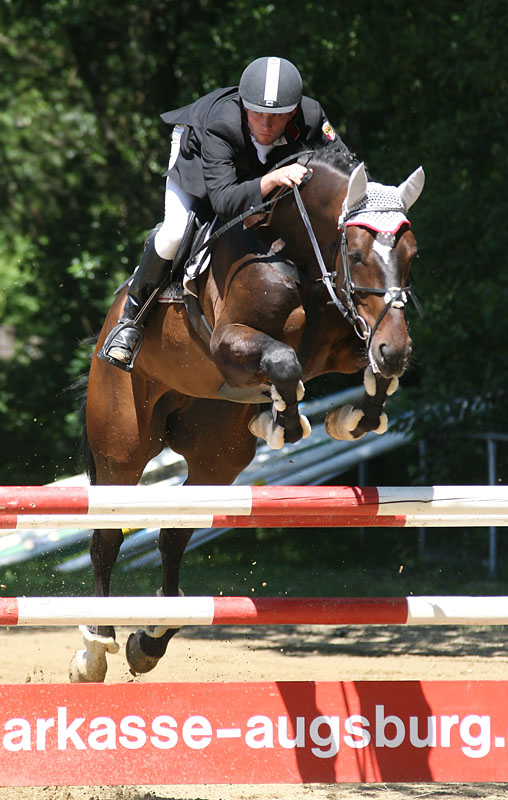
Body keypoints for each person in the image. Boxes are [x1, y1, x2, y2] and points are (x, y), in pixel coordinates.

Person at [99, 56, 355, 370]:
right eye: (257, 113)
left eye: (276, 117)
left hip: (254, 169)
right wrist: (269, 180)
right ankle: (131, 319)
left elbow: (348, 169)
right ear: (244, 106)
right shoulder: (221, 125)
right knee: (175, 232)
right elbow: (222, 201)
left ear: (293, 110)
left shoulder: (312, 116)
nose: (265, 125)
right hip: (196, 154)